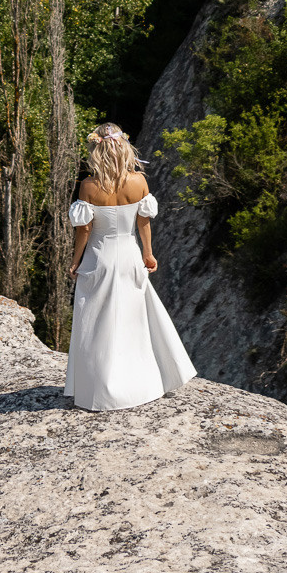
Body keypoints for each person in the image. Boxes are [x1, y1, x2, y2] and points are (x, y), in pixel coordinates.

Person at [64, 122, 196, 412]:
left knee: (97, 325)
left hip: (99, 259)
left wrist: (75, 261)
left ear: (96, 151)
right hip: (129, 256)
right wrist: (148, 254)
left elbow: (84, 230)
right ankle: (143, 383)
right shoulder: (139, 182)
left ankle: (100, 390)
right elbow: (143, 223)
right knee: (133, 323)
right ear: (124, 148)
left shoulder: (88, 186)